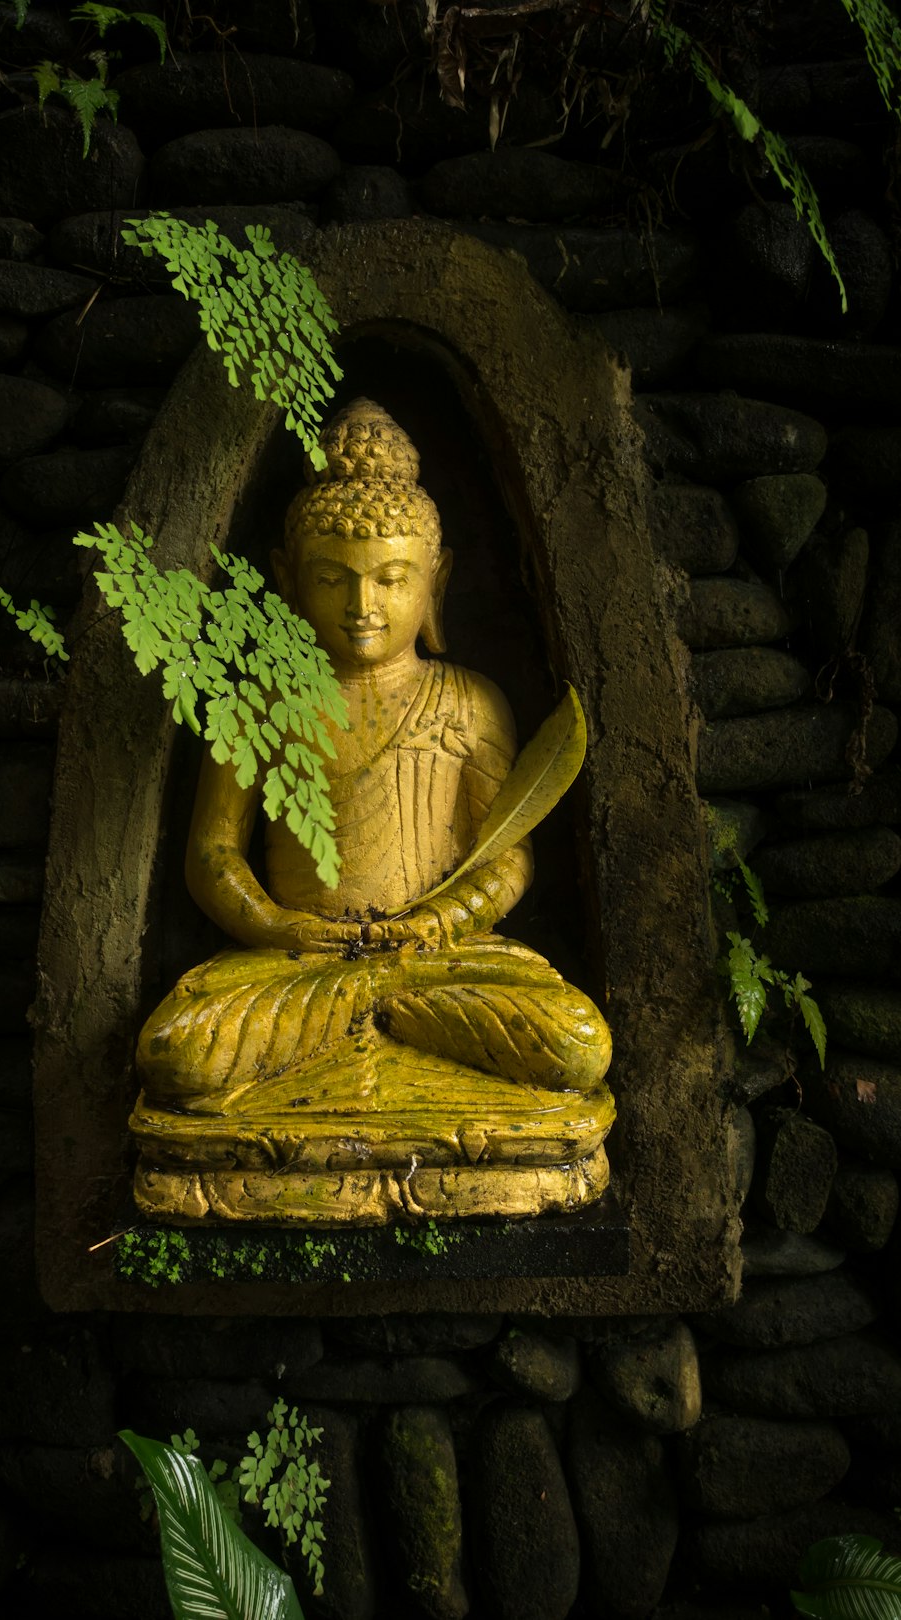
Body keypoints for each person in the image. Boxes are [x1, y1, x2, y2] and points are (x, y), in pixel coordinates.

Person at [129, 399, 614, 1223]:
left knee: (574, 1041)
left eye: (392, 580)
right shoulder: (259, 705)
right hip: (299, 964)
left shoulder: (468, 704)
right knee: (179, 1051)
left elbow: (506, 857)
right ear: (285, 577)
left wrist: (439, 921)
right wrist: (282, 930)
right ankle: (377, 1031)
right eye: (332, 577)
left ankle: (374, 1027)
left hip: (436, 960)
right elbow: (213, 858)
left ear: (437, 581)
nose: (363, 605)